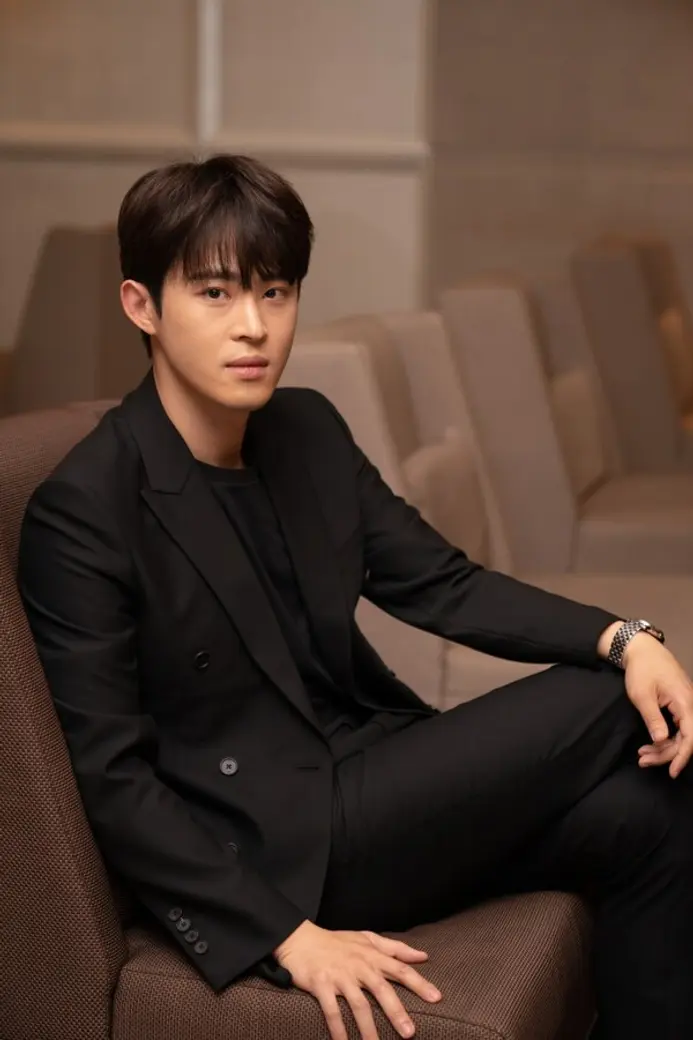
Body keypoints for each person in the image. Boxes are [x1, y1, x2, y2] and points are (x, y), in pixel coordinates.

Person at [17, 153, 693, 1040]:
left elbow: (443, 584)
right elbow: (111, 778)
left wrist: (616, 633)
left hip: (372, 775)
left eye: (275, 292)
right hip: (281, 844)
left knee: (646, 815)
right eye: (215, 294)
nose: (253, 327)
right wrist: (284, 936)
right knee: (607, 695)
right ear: (141, 306)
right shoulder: (86, 508)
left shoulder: (306, 430)